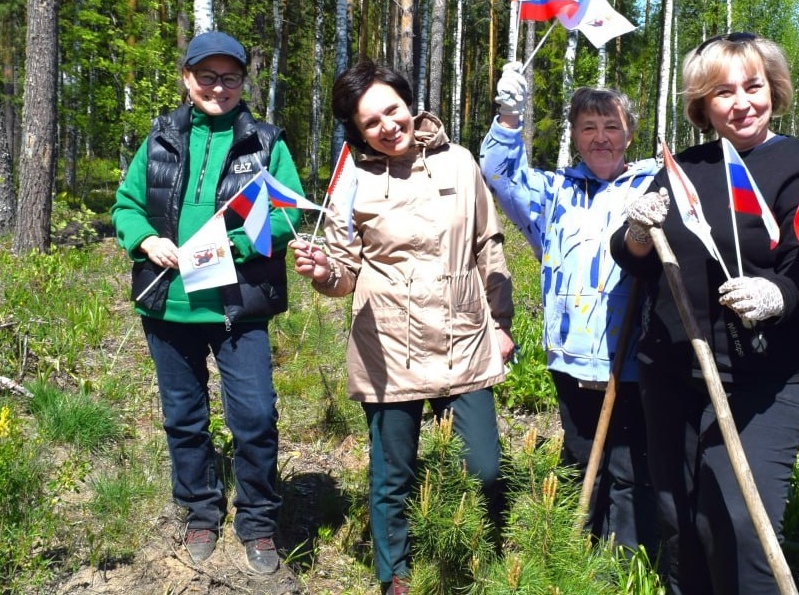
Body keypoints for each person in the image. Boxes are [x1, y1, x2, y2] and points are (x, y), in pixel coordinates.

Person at [611, 33, 799, 594]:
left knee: (740, 521)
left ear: (773, 90)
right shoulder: (684, 167)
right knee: (679, 514)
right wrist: (636, 231)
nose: (742, 103)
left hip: (761, 377)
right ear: (703, 104)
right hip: (672, 369)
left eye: (753, 86)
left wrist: (777, 294)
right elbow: (635, 258)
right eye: (723, 92)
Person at [290, 61, 515, 595]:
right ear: (357, 131)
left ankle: (479, 559)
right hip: (388, 344)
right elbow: (343, 273)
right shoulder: (352, 180)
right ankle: (397, 575)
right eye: (371, 122)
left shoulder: (459, 162)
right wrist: (323, 273)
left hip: (464, 335)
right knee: (393, 473)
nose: (387, 126)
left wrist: (501, 323)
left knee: (483, 466)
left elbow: (488, 245)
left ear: (409, 104)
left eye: (392, 110)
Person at [112, 31, 301, 574]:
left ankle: (258, 523)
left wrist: (230, 246)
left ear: (243, 82)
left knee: (255, 416)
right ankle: (200, 511)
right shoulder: (160, 138)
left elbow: (286, 215)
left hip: (237, 305)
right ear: (187, 78)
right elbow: (126, 205)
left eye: (230, 78)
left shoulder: (265, 143)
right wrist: (146, 240)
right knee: (184, 417)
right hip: (168, 304)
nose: (219, 88)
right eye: (207, 77)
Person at [479, 64, 659, 556]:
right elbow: (498, 173)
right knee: (581, 456)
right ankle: (575, 554)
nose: (601, 138)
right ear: (575, 136)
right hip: (572, 356)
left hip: (635, 356)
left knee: (631, 463)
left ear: (629, 133)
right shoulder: (553, 192)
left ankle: (623, 562)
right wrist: (509, 117)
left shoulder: (651, 185)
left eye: (612, 126)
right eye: (588, 127)